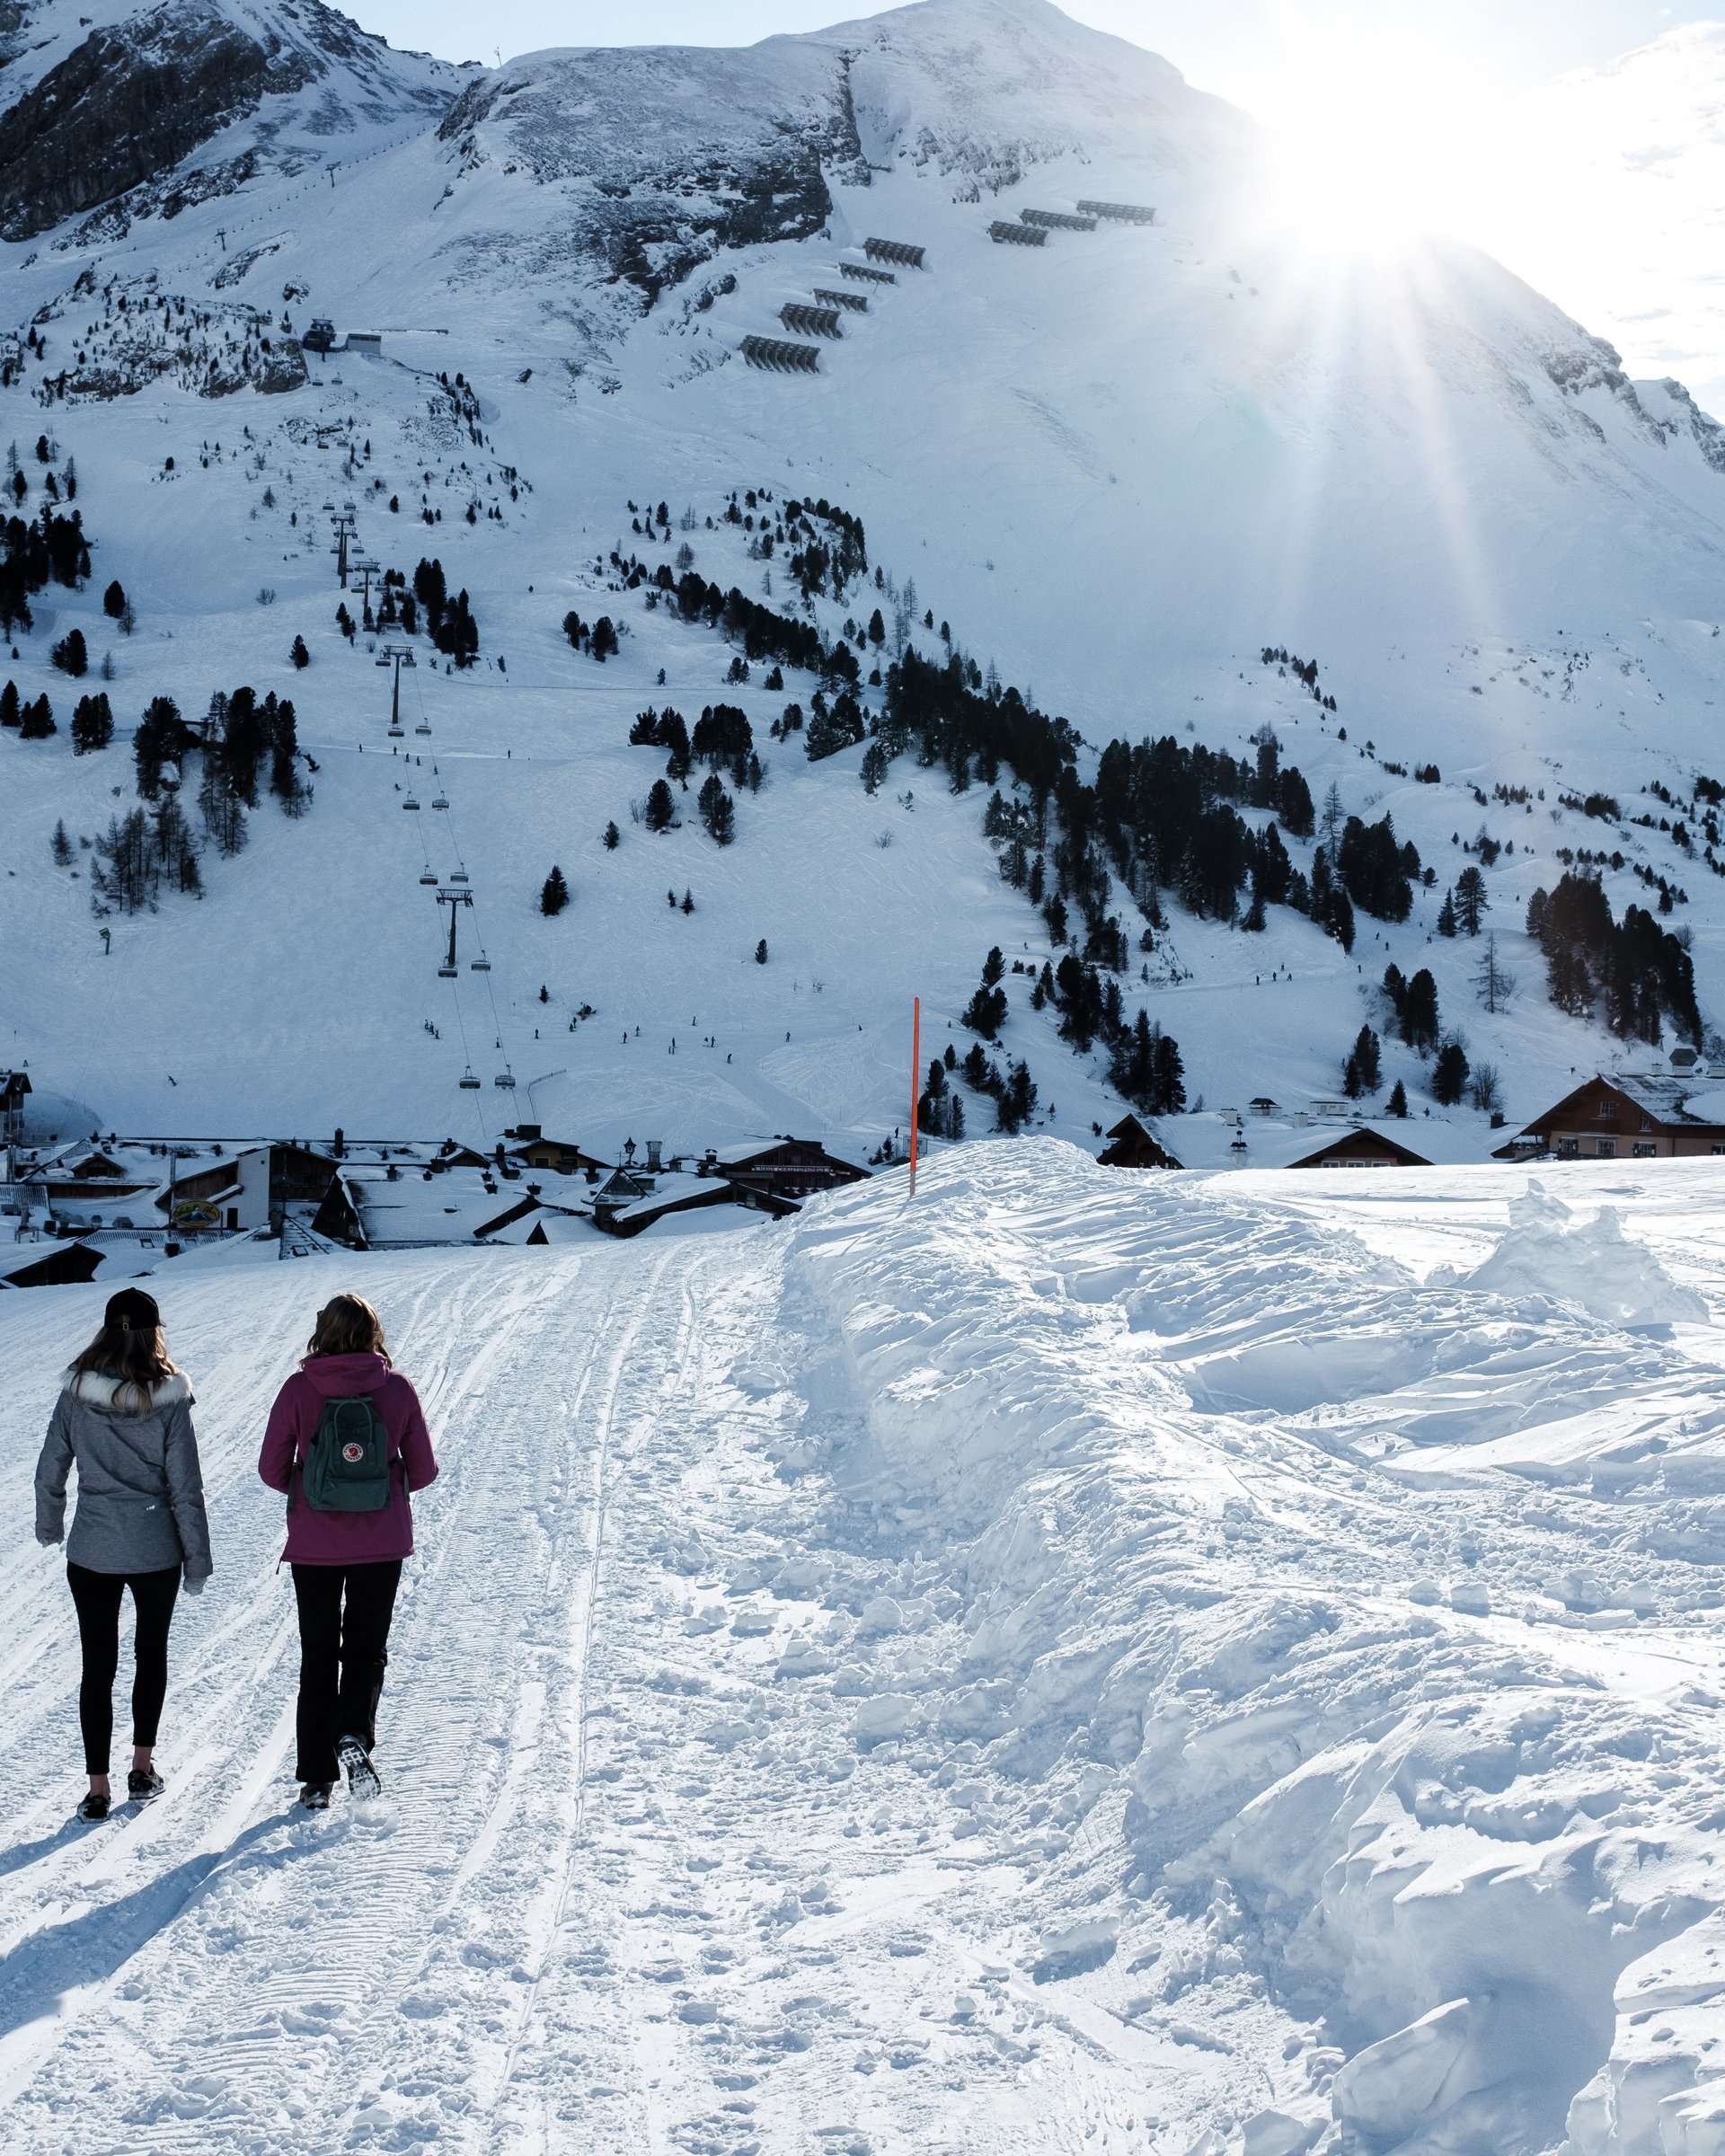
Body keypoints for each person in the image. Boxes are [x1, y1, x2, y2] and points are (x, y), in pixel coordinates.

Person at [34, 1287, 213, 1823]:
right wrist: (197, 1559)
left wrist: (50, 1525)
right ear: (155, 1331)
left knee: (98, 1665)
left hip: (92, 1548)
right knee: (150, 1654)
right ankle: (142, 1766)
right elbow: (186, 1486)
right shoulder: (170, 1397)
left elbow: (50, 1468)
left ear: (106, 1329)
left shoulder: (75, 1394)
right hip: (155, 1548)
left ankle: (96, 1789)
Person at [259, 1294, 437, 1811]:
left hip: (314, 1545)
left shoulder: (298, 1388)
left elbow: (271, 1470)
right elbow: (423, 1472)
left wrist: (314, 1484)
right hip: (381, 1544)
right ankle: (354, 1734)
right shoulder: (398, 1388)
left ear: (323, 1333)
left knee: (318, 1656)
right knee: (365, 1649)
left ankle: (317, 1779)